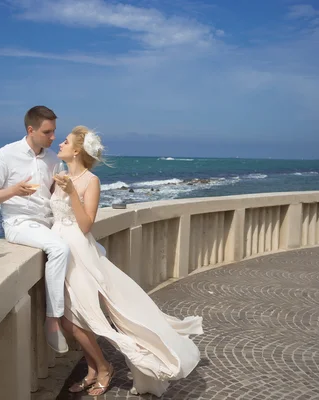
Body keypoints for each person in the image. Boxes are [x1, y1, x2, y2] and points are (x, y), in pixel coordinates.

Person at [50, 125, 204, 396]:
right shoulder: (58, 175)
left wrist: (73, 192)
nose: (59, 143)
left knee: (78, 319)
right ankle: (93, 369)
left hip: (79, 254)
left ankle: (104, 367)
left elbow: (86, 225)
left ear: (76, 150)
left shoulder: (91, 181)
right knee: (70, 319)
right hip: (59, 250)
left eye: (64, 141)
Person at [0, 105, 70, 353]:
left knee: (90, 247)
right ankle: (53, 321)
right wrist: (13, 191)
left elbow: (53, 195)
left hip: (49, 221)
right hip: (19, 223)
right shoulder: (4, 155)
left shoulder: (53, 159)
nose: (53, 138)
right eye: (47, 132)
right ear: (31, 130)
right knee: (59, 249)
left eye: (54, 132)